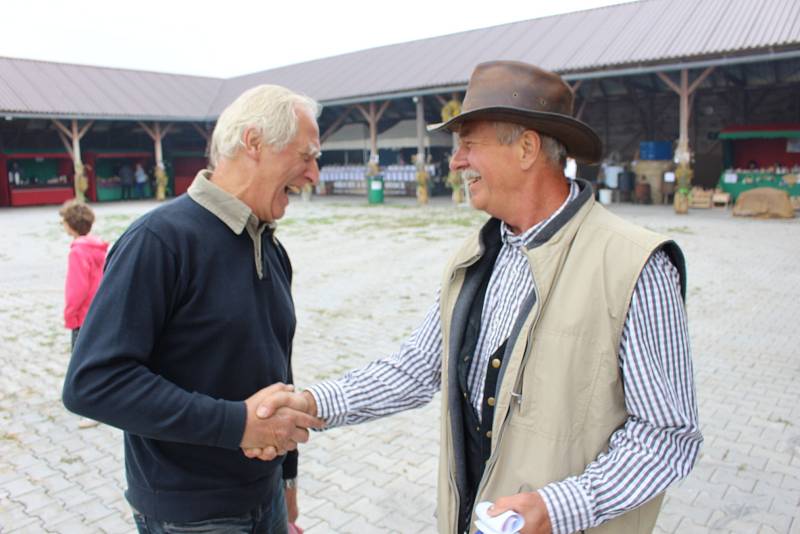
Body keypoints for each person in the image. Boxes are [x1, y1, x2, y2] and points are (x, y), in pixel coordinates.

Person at [255, 61, 702, 534]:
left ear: (527, 148)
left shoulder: (635, 266)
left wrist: (560, 507)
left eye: (469, 145)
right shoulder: (478, 255)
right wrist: (310, 403)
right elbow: (416, 366)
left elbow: (667, 436)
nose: (455, 162)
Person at [62, 84, 325, 534]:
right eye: (306, 156)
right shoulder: (159, 242)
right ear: (255, 143)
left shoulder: (270, 248)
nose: (314, 175)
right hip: (191, 515)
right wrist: (236, 424)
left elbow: (277, 373)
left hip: (266, 501)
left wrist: (287, 479)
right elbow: (92, 382)